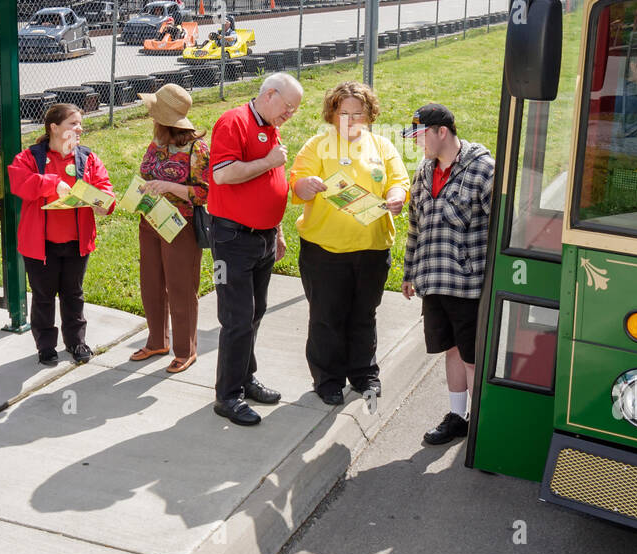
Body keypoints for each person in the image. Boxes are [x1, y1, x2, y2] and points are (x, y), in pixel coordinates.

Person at [290, 82, 409, 405]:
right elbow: (296, 186)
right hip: (325, 250)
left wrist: (397, 197)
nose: (352, 119)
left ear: (370, 114)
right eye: (344, 113)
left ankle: (364, 373)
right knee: (327, 317)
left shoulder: (382, 146)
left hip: (372, 248)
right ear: (332, 113)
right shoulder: (317, 145)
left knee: (364, 314)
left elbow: (399, 181)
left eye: (359, 113)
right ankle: (327, 379)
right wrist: (307, 185)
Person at [207, 73, 303, 426]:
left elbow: (268, 184)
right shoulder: (233, 122)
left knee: (255, 312)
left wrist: (276, 230)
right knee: (236, 318)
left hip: (261, 236)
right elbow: (223, 175)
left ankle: (245, 378)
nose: (290, 113)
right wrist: (270, 161)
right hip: (233, 238)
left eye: (294, 109)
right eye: (288, 106)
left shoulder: (267, 125)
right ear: (270, 95)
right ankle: (227, 396)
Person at [401, 103, 495, 446]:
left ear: (442, 132)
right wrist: (410, 271)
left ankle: (483, 426)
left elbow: (501, 230)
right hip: (434, 281)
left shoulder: (484, 170)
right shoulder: (424, 172)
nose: (417, 144)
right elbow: (415, 226)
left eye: (420, 136)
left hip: (468, 286)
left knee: (472, 357)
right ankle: (458, 416)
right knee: (451, 350)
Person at [8, 103, 115, 366]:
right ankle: (46, 346)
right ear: (53, 128)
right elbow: (20, 183)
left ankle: (76, 342)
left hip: (76, 242)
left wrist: (101, 202)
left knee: (73, 294)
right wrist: (54, 184)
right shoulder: (30, 158)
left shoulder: (88, 159)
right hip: (40, 244)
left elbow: (106, 194)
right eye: (73, 123)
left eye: (80, 123)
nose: (79, 128)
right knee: (43, 296)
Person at [129, 85, 209, 373]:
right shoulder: (157, 143)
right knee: (151, 282)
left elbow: (205, 193)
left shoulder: (197, 149)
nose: (151, 119)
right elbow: (146, 172)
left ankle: (185, 350)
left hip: (181, 224)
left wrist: (170, 187)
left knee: (181, 287)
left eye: (154, 115)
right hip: (150, 219)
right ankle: (156, 341)